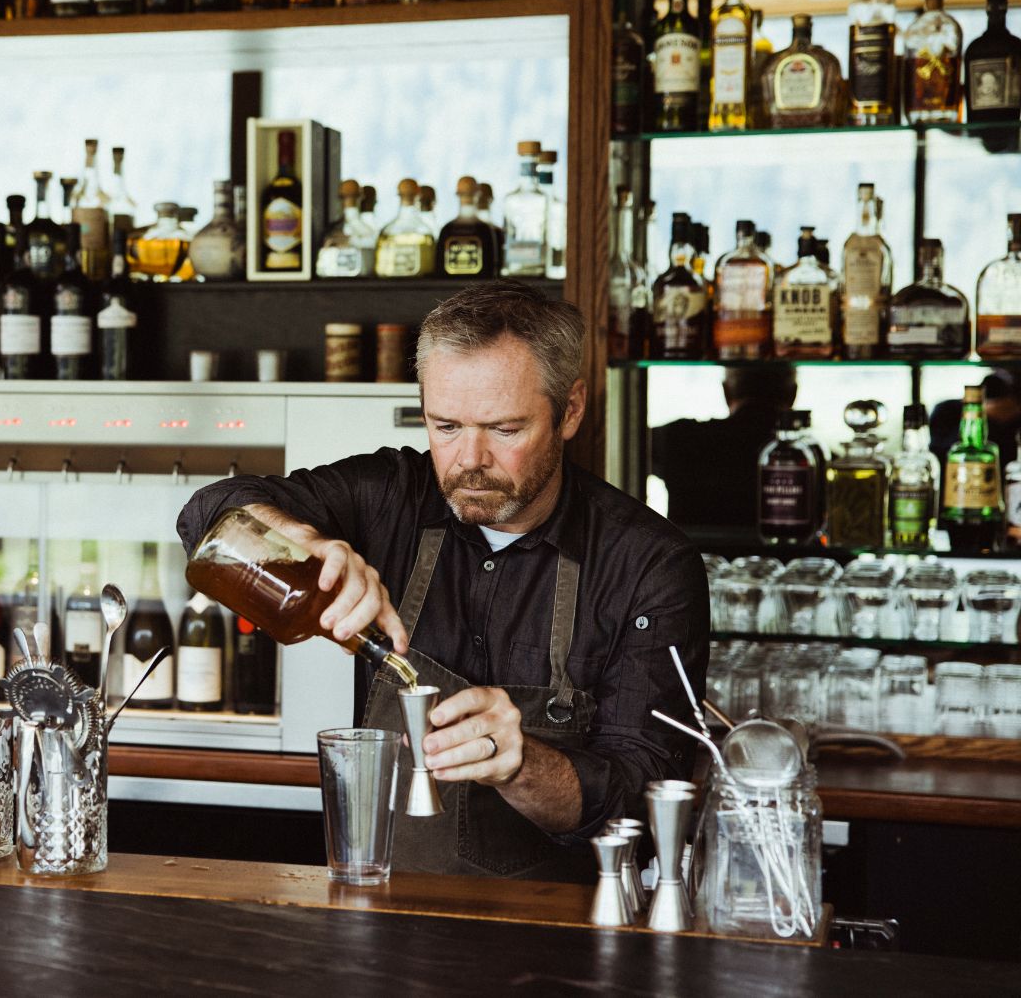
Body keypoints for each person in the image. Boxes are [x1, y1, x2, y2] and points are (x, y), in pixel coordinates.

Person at [176, 283, 708, 880]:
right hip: (383, 916)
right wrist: (303, 542)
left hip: (562, 941)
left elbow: (647, 799)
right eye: (445, 425)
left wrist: (522, 765)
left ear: (571, 411)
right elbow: (208, 511)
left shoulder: (647, 565)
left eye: (505, 430)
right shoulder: (388, 497)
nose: (468, 459)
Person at [649, 365, 798, 531]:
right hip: (789, 557)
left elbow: (624, 441)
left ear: (726, 392)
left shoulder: (679, 438)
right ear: (793, 394)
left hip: (694, 556)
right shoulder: (810, 456)